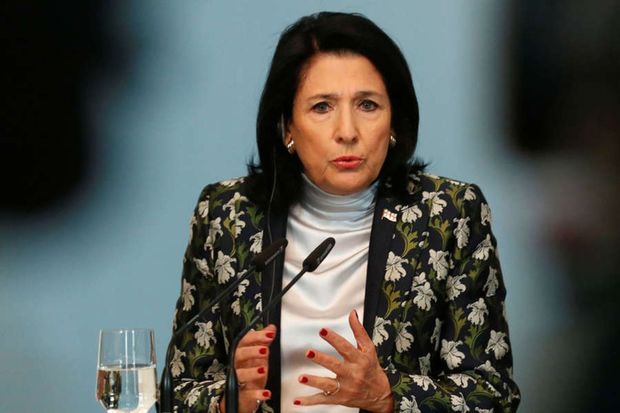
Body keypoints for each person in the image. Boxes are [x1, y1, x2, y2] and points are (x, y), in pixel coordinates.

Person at [168, 11, 520, 413]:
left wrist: (389, 397)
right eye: (322, 107)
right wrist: (226, 402)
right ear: (287, 127)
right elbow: (176, 390)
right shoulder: (228, 216)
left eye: (368, 105)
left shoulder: (449, 215)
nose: (348, 131)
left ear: (394, 122)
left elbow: (493, 394)